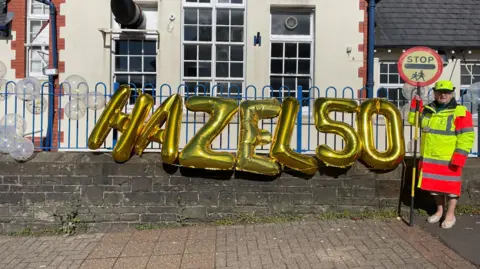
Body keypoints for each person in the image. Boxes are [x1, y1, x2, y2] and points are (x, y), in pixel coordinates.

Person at [408, 80, 475, 229]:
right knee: (435, 188)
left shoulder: (461, 112)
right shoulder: (427, 110)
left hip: (450, 158)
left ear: (452, 93)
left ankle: (450, 214)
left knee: (451, 189)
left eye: (446, 92)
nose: (443, 94)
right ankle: (439, 211)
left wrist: (460, 155)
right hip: (430, 158)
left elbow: (467, 136)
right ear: (435, 93)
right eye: (440, 92)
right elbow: (413, 120)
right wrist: (415, 105)